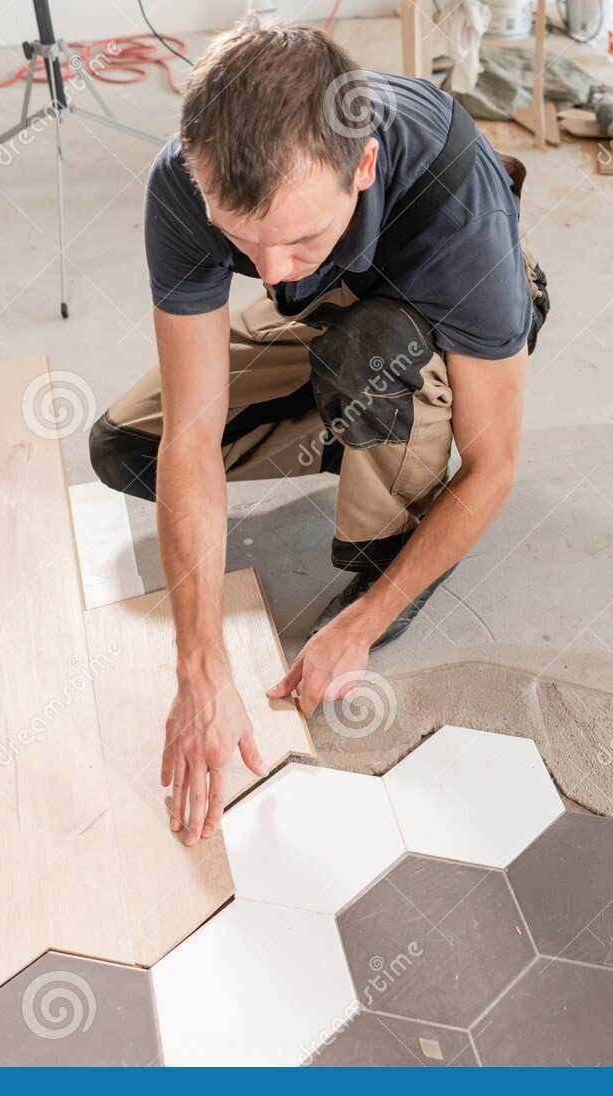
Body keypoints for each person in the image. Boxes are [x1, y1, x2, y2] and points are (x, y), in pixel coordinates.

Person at [88, 22, 549, 844]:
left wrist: (365, 622)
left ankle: (383, 455)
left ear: (362, 167)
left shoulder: (457, 213)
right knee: (127, 448)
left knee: (371, 358)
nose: (267, 273)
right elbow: (190, 438)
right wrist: (199, 667)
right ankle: (350, 410)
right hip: (341, 306)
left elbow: (494, 466)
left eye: (298, 236)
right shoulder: (187, 185)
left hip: (429, 315)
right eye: (242, 240)